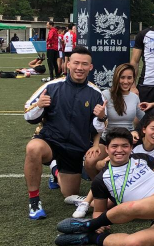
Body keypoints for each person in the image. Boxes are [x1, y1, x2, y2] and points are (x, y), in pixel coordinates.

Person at [23, 46, 106, 219]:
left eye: (84, 64)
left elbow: (99, 129)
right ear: (68, 64)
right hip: (50, 142)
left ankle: (55, 170)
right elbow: (28, 115)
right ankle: (34, 201)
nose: (80, 68)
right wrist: (39, 106)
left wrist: (100, 117)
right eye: (76, 63)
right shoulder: (51, 86)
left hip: (75, 148)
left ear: (91, 67)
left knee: (69, 194)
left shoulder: (96, 93)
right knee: (33, 148)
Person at [73, 127, 154, 219]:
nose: (119, 150)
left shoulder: (141, 157)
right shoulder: (101, 179)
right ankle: (85, 201)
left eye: (125, 146)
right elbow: (98, 211)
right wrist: (100, 224)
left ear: (131, 148)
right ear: (106, 149)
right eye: (114, 146)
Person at [85, 63, 145, 179]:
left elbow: (144, 118)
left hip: (128, 139)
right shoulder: (105, 95)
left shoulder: (134, 97)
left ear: (133, 79)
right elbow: (98, 123)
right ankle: (98, 185)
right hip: (107, 139)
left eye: (129, 78)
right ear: (116, 78)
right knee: (90, 161)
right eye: (122, 77)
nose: (126, 81)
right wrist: (96, 145)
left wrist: (136, 132)